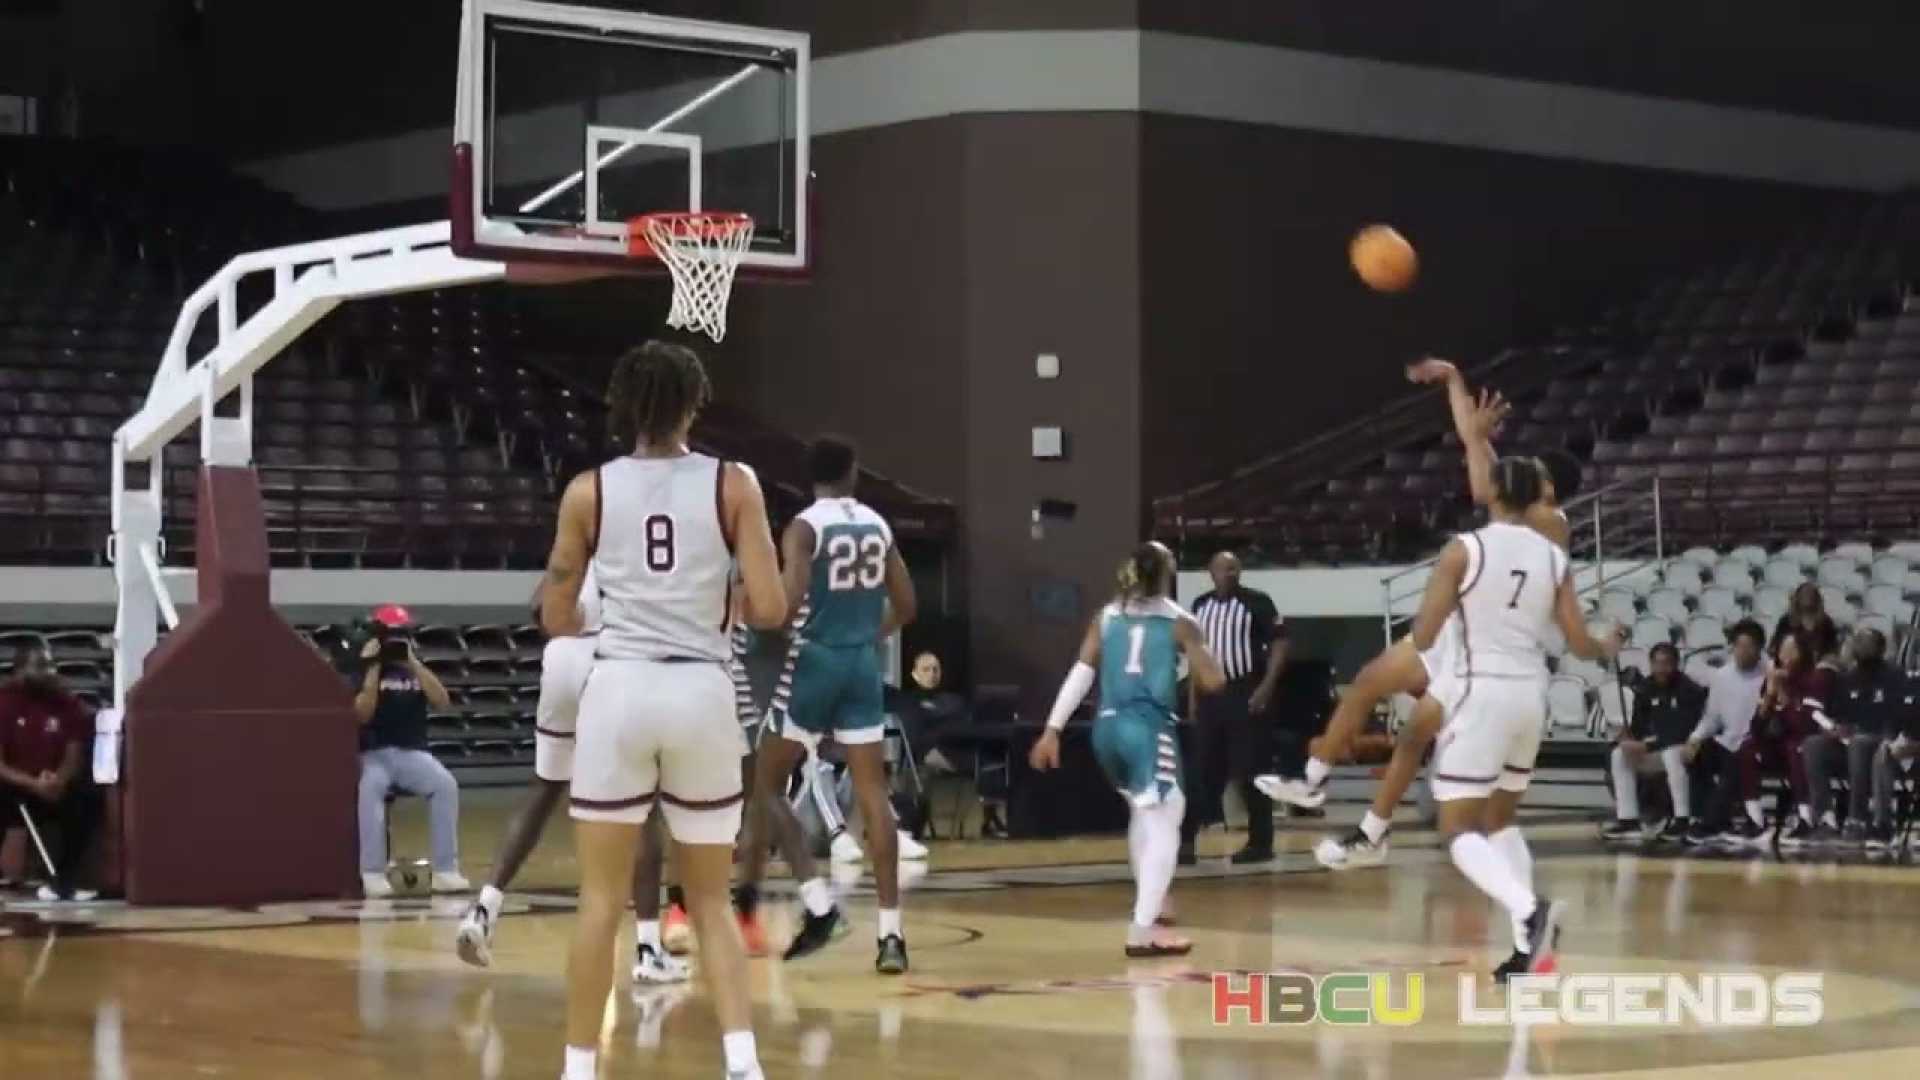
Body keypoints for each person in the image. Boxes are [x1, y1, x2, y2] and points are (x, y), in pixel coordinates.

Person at [547, 340, 788, 1080]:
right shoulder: (734, 484)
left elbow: (557, 614)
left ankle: (580, 1069)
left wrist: (605, 611)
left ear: (623, 407)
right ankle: (742, 1064)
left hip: (619, 691)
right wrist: (721, 596)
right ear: (694, 402)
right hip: (701, 692)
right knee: (711, 901)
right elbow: (773, 608)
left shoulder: (588, 491)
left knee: (599, 899)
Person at [1260, 358, 1576, 871]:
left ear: (1550, 488)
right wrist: (1454, 384)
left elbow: (1484, 484)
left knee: (1417, 737)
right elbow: (1486, 473)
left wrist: (1476, 438)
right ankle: (1314, 782)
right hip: (1460, 635)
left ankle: (1373, 833)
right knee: (1370, 686)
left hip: (1485, 657)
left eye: (1532, 472)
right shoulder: (1523, 509)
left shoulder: (1554, 524)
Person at [1406, 458, 1618, 980]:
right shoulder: (1553, 556)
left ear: (1495, 492)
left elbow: (1426, 633)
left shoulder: (1464, 549)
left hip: (1485, 693)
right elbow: (1578, 641)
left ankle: (1529, 911)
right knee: (1500, 819)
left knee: (1455, 827)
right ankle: (1530, 949)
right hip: (1533, 694)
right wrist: (1607, 643)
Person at [453, 575, 689, 985]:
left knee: (544, 787)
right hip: (610, 659)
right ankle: (649, 947)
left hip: (561, 658)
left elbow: (538, 605)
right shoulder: (636, 536)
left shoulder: (582, 531)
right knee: (644, 807)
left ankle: (484, 907)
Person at [741, 436, 917, 973]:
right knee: (873, 796)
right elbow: (908, 605)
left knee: (765, 784)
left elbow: (788, 602)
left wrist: (751, 611)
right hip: (862, 663)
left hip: (813, 664)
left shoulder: (803, 527)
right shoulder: (879, 525)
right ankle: (891, 937)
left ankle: (818, 904)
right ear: (854, 472)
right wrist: (867, 633)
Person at [1029, 541, 1225, 957]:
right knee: (1167, 824)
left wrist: (1052, 730)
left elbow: (1081, 675)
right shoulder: (1181, 621)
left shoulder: (1106, 616)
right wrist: (1198, 653)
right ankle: (1142, 930)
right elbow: (1213, 682)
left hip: (1106, 729)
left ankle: (1150, 909)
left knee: (1143, 812)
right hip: (1148, 730)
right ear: (1166, 575)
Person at [354, 605, 469, 898]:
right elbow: (362, 715)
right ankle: (372, 872)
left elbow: (442, 701)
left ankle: (446, 870)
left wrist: (413, 663)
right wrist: (373, 666)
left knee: (445, 785)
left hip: (411, 752)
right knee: (370, 788)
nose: (395, 642)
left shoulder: (414, 668)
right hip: (373, 752)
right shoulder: (362, 666)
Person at [1179, 551, 1285, 864]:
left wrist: (1266, 686)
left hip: (1246, 692)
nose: (1231, 573)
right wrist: (1193, 701)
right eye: (1225, 569)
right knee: (1201, 770)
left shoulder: (1258, 602)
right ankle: (1185, 843)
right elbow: (1195, 654)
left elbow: (1281, 643)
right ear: (1211, 572)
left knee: (1252, 768)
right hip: (1211, 696)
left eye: (1235, 568)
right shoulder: (1199, 606)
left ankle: (1261, 842)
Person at [0, 646, 101, 901]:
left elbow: (74, 752)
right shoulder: (3, 701)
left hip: (52, 786)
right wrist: (33, 783)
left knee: (86, 797)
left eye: (51, 665)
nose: (50, 672)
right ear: (20, 671)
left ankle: (63, 881)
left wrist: (59, 780)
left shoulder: (67, 703)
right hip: (13, 785)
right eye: (41, 666)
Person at [1802, 627, 1901, 845]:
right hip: (1848, 742)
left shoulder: (1893, 676)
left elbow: (1899, 717)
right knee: (1813, 745)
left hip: (1880, 743)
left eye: (1866, 641)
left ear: (1880, 648)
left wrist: (1878, 733)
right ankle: (1825, 818)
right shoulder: (1846, 679)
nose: (1860, 645)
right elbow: (1834, 714)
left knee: (1859, 742)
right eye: (1858, 640)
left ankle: (1857, 818)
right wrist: (1833, 728)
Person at [1735, 629, 1833, 848]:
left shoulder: (1814, 679)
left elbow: (1805, 723)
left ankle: (1806, 818)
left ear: (1803, 653)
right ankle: (1755, 819)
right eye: (1782, 651)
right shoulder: (1771, 680)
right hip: (1776, 743)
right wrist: (1769, 695)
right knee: (1748, 747)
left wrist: (1782, 693)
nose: (1786, 656)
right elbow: (1757, 727)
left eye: (1792, 650)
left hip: (1807, 741)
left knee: (1796, 748)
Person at [1601, 642, 1705, 842]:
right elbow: (1639, 725)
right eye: (1656, 663)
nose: (1661, 669)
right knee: (1618, 754)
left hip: (1688, 749)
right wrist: (1628, 736)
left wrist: (1647, 746)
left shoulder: (1689, 690)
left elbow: (1682, 730)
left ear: (1676, 664)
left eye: (1666, 663)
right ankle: (1628, 820)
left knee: (1671, 753)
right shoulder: (1645, 688)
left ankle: (1682, 819)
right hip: (1655, 748)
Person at [1683, 619, 1772, 844]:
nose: (1743, 652)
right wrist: (1694, 738)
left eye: (1749, 646)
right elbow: (1713, 717)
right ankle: (1707, 816)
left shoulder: (1770, 675)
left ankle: (1710, 824)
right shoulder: (1722, 676)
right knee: (1695, 756)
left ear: (1759, 648)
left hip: (1757, 744)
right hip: (1728, 740)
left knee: (1736, 762)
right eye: (1739, 646)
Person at [1770, 583, 1840, 665]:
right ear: (1797, 597)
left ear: (1817, 598)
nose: (1807, 597)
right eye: (1804, 594)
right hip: (1789, 665)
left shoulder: (1826, 622)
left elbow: (1832, 649)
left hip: (1817, 666)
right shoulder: (1786, 620)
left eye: (1810, 594)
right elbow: (1774, 645)